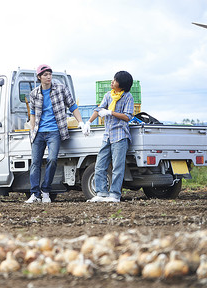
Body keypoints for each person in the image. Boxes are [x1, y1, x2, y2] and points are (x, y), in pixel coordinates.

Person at [25, 64, 87, 203]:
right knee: (35, 163)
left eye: (50, 74)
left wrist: (81, 122)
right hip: (39, 133)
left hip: (54, 131)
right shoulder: (34, 93)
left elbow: (73, 106)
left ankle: (45, 191)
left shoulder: (60, 89)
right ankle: (35, 194)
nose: (48, 77)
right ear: (39, 77)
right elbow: (33, 114)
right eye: (45, 74)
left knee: (52, 159)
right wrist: (32, 130)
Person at [84, 71, 134, 203]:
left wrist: (111, 112)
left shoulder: (128, 97)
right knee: (100, 165)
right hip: (107, 135)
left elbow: (128, 116)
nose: (112, 82)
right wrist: (88, 122)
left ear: (121, 85)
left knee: (118, 166)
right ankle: (101, 193)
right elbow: (98, 109)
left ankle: (115, 195)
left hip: (120, 136)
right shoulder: (108, 95)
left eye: (115, 80)